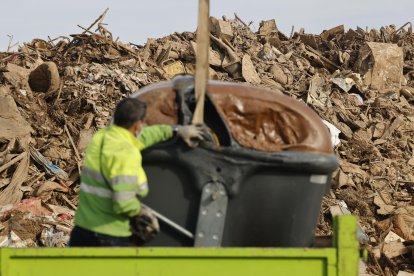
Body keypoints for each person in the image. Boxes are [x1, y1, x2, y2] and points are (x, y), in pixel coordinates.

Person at [69, 97, 203, 246]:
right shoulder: (126, 153)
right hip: (108, 237)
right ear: (137, 125)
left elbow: (143, 137)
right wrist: (141, 212)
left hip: (82, 229)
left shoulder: (102, 137)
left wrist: (175, 130)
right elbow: (123, 203)